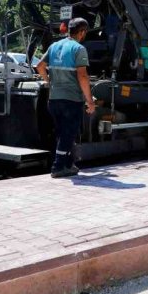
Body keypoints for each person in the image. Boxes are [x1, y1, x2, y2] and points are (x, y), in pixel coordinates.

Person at [35, 18, 96, 177]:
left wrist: (49, 82)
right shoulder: (79, 48)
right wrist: (90, 101)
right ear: (82, 32)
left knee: (63, 132)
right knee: (68, 133)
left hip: (54, 99)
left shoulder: (54, 46)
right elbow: (82, 76)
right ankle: (58, 167)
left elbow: (39, 66)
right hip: (71, 99)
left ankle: (69, 165)